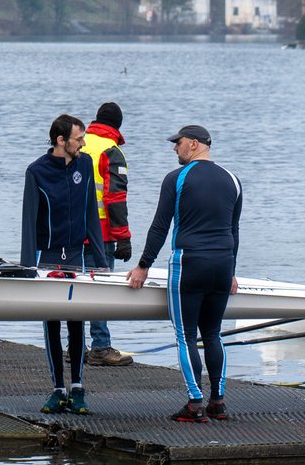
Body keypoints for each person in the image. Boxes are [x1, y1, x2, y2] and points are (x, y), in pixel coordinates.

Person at [126, 124, 242, 424]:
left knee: (185, 335)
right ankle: (218, 402)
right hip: (223, 263)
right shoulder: (233, 180)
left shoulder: (176, 178)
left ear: (193, 144)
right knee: (213, 333)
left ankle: (194, 403)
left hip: (189, 263)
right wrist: (232, 271)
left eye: (177, 143)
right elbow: (233, 230)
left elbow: (160, 226)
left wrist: (143, 265)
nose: (174, 148)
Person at [21, 114, 105, 415]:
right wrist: (28, 267)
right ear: (61, 140)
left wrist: (101, 261)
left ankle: (78, 388)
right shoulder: (36, 172)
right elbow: (28, 220)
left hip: (77, 254)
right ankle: (58, 388)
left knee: (77, 320)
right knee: (53, 322)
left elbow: (91, 213)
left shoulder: (85, 164)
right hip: (49, 256)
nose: (83, 143)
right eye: (78, 139)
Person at [79, 101, 134, 367]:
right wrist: (123, 236)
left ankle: (75, 347)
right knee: (100, 290)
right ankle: (100, 347)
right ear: (117, 126)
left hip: (71, 231)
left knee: (74, 289)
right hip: (101, 234)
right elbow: (115, 197)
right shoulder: (111, 151)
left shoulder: (78, 142)